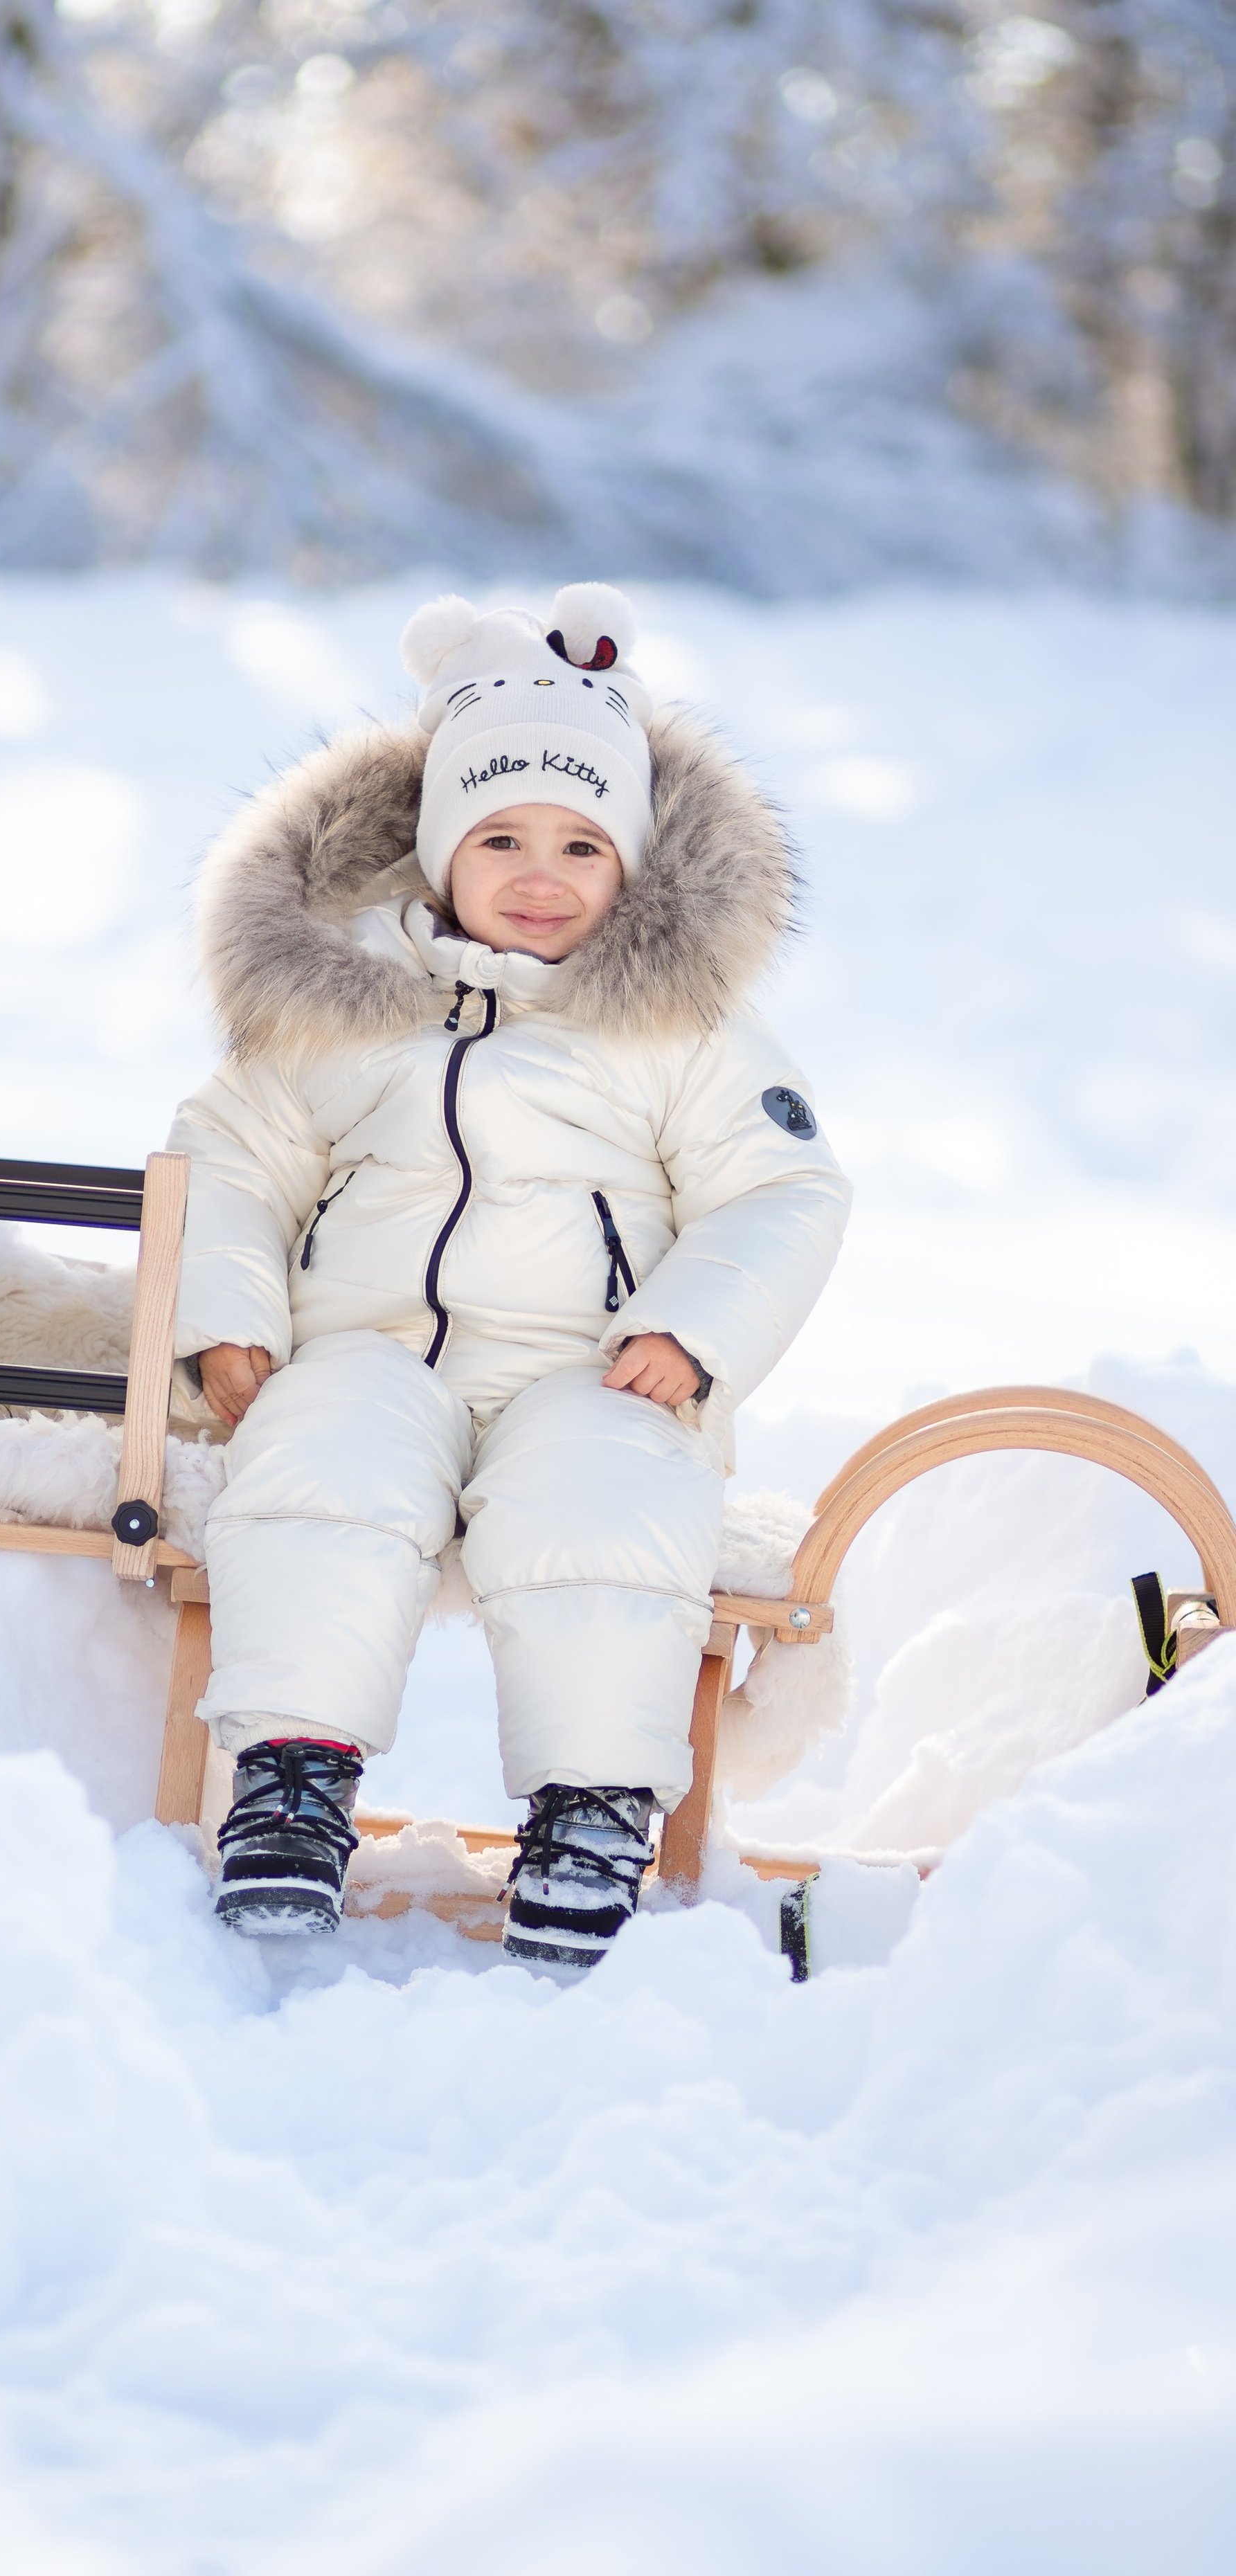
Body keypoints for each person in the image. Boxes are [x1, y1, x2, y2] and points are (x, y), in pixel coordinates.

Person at [166, 585, 850, 1968]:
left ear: (630, 863)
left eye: (579, 843)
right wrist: (229, 1320)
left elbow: (779, 1188)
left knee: (604, 1499)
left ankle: (590, 1806)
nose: (539, 872)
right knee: (317, 1465)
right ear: (436, 854)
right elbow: (222, 1158)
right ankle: (292, 1784)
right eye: (499, 837)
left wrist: (690, 1330)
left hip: (590, 1363)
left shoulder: (677, 1021)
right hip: (367, 1349)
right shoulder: (345, 1003)